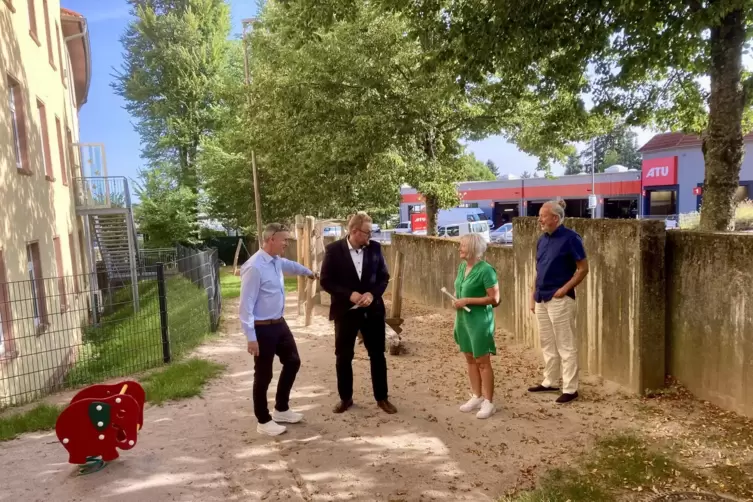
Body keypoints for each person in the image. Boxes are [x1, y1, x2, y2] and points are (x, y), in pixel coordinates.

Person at [239, 223, 317, 436]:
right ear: (271, 239)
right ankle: (263, 420)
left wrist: (309, 273)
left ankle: (281, 409)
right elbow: (245, 306)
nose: (286, 243)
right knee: (263, 375)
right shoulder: (254, 267)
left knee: (293, 361)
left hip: (279, 324)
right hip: (262, 328)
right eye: (284, 239)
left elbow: (290, 265)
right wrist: (251, 337)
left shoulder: (275, 261)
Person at [319, 211, 397, 415]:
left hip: (373, 311)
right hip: (346, 312)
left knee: (378, 355)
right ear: (354, 231)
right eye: (367, 232)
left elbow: (384, 277)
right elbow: (326, 281)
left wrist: (372, 294)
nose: (370, 236)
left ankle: (382, 398)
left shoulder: (375, 249)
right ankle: (345, 398)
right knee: (343, 356)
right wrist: (349, 295)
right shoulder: (333, 250)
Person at [528, 200, 589, 404]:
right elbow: (538, 270)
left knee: (566, 344)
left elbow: (583, 269)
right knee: (547, 343)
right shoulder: (541, 240)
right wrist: (532, 296)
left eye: (543, 216)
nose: (540, 220)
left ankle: (571, 389)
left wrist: (564, 289)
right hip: (541, 298)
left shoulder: (571, 238)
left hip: (560, 299)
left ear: (555, 217)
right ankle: (550, 381)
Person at [451, 233, 501, 419]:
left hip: (480, 321)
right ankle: (477, 396)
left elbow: (495, 299)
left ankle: (489, 402)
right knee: (470, 358)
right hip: (463, 320)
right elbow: (459, 288)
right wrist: (457, 299)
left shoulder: (487, 270)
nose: (459, 248)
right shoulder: (462, 266)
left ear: (472, 248)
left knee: (482, 361)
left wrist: (467, 300)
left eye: (462, 246)